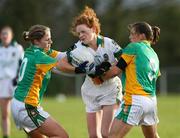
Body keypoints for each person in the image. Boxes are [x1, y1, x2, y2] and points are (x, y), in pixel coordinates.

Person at [11, 24, 87, 138]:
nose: (50, 41)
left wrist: (75, 51)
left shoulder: (35, 50)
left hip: (18, 103)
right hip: (27, 107)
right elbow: (61, 66)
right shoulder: (39, 56)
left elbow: (61, 56)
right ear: (36, 41)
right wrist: (82, 70)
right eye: (47, 39)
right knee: (62, 136)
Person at [96, 22, 160, 138]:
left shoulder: (134, 47)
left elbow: (115, 71)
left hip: (135, 99)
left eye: (132, 34)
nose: (130, 37)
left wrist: (99, 76)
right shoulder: (154, 54)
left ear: (141, 36)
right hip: (151, 101)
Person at [66, 6, 123, 138]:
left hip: (110, 89)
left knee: (106, 133)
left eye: (83, 32)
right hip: (90, 90)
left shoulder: (108, 43)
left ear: (93, 29)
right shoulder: (77, 48)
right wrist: (79, 69)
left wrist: (110, 69)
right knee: (93, 136)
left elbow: (125, 59)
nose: (80, 36)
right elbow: (63, 62)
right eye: (78, 33)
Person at [0, 26, 24, 138]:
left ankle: (31, 133)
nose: (5, 36)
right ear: (1, 36)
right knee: (4, 114)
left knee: (21, 113)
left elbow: (23, 64)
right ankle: (6, 135)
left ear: (11, 36)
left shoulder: (18, 48)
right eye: (3, 34)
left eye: (7, 34)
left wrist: (19, 78)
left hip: (15, 83)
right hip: (2, 83)